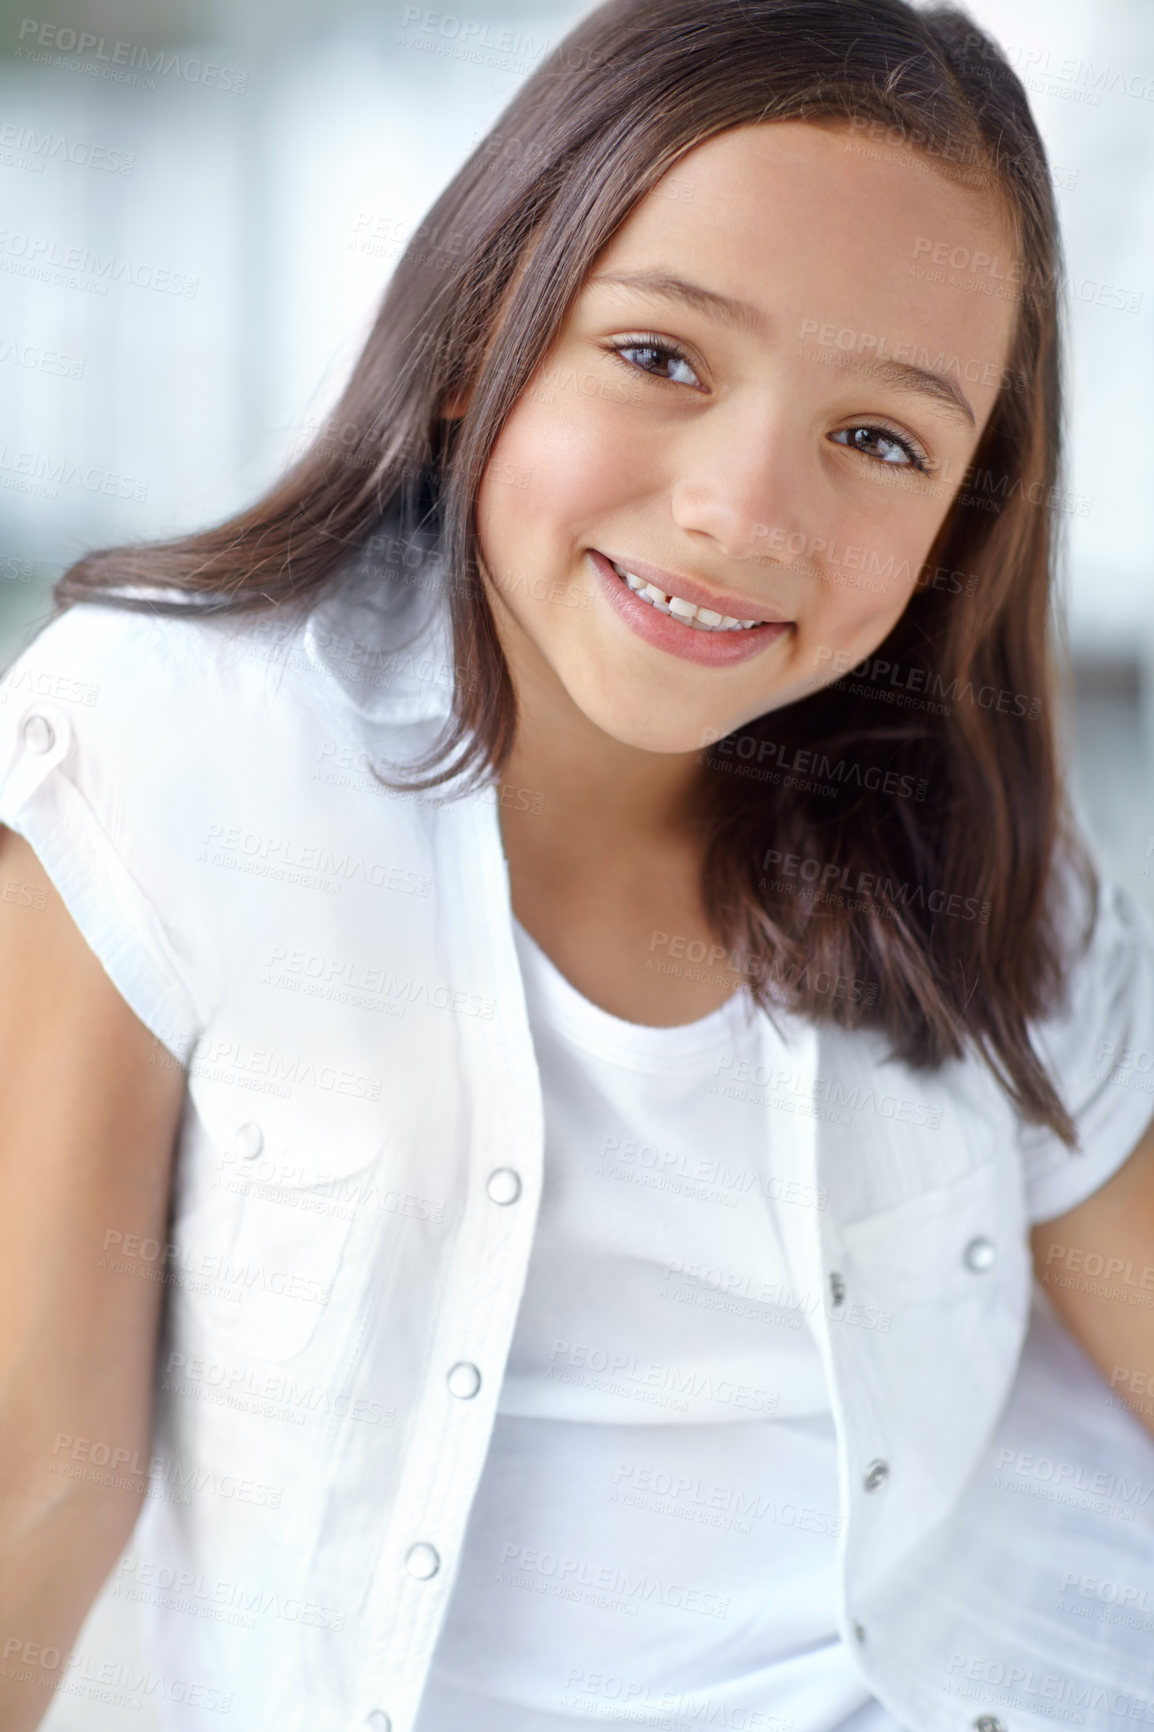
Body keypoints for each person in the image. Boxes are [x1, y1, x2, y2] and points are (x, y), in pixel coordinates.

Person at [2, 0, 1153, 1728]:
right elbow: (34, 1483)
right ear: (483, 338)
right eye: (661, 358)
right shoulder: (170, 741)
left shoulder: (987, 875)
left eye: (880, 440)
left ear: (955, 530)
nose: (746, 510)